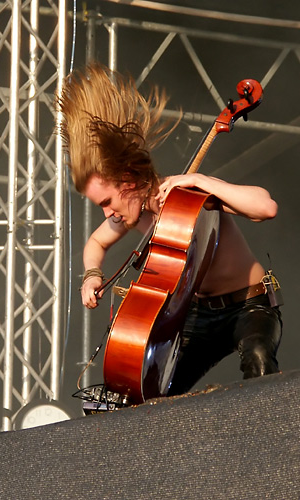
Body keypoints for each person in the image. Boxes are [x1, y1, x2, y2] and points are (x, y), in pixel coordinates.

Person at [57, 63, 283, 399]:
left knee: (259, 359)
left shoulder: (190, 196)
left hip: (250, 305)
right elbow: (95, 243)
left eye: (106, 201)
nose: (107, 213)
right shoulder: (131, 216)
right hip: (199, 316)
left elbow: (266, 208)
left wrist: (201, 181)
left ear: (129, 183)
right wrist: (91, 275)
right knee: (153, 392)